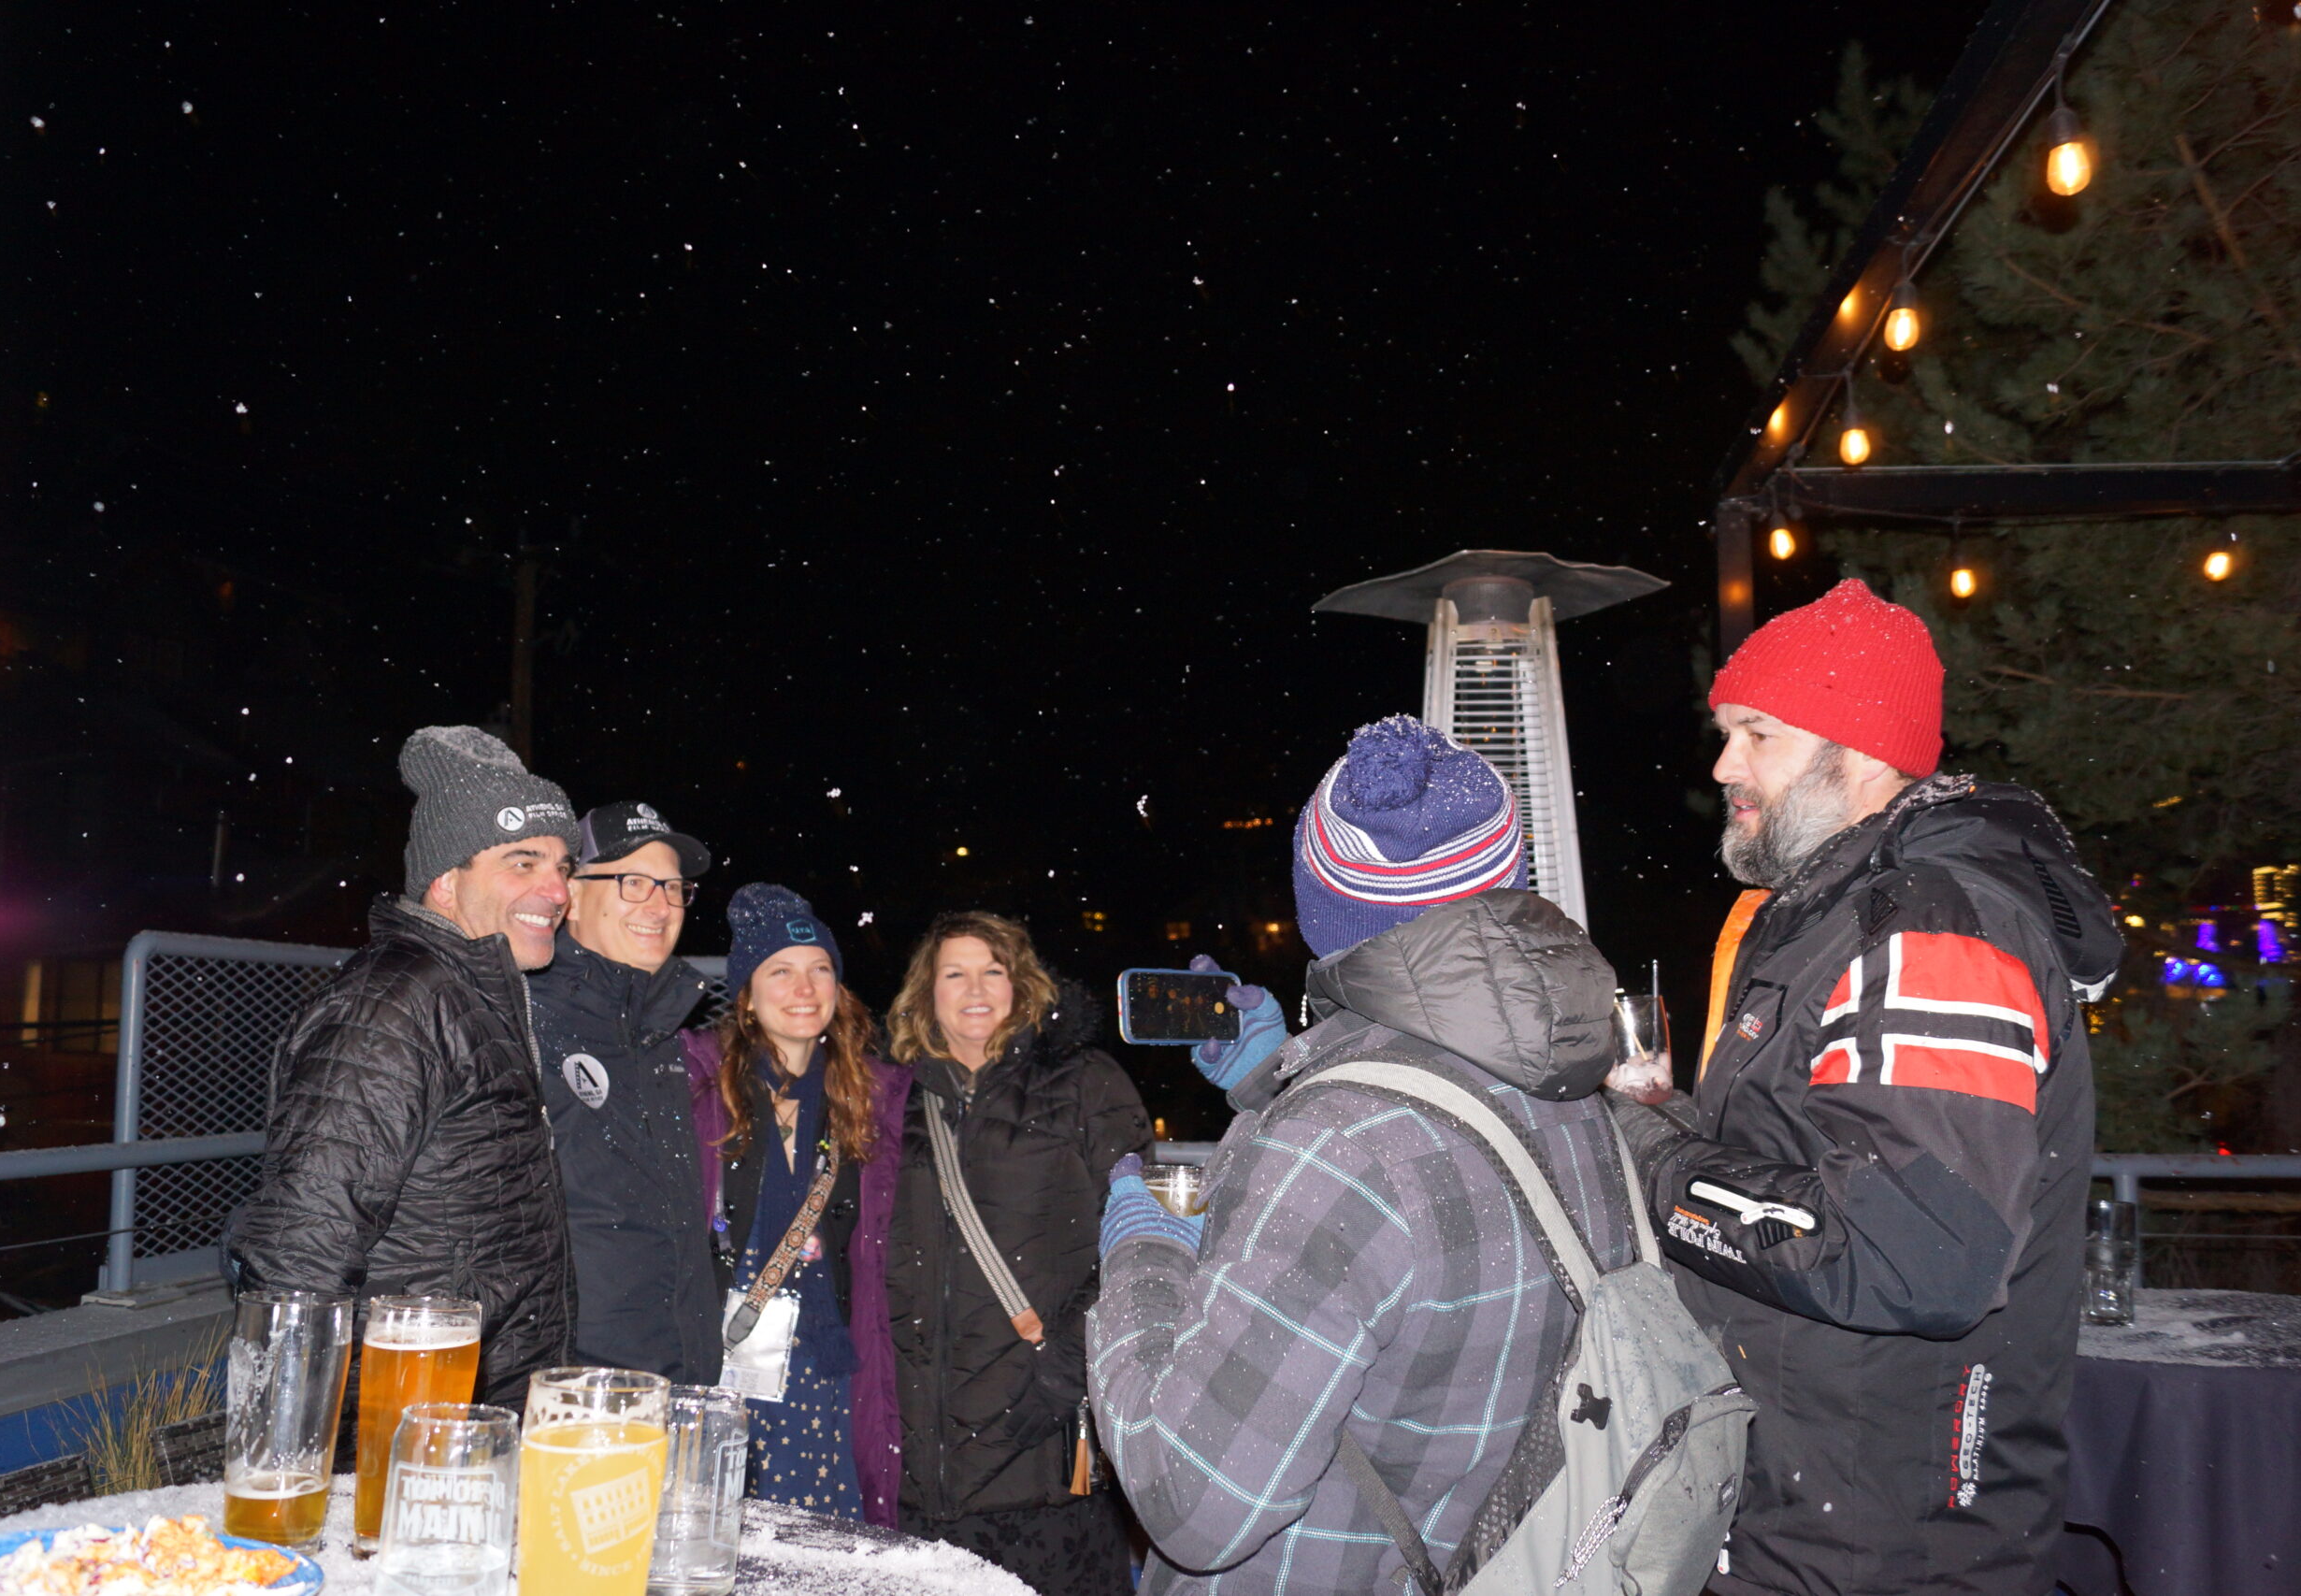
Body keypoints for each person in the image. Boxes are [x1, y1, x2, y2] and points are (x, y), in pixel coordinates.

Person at [1607, 579, 2121, 1596]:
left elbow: (1910, 1251)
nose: (1724, 764)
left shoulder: (1931, 931)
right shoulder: (1837, 921)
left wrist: (1656, 1161)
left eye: (1758, 734)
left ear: (1863, 751)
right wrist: (1668, 1120)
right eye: (1725, 733)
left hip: (1883, 1546)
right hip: (1810, 1517)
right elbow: (1804, 1167)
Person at [1086, 713, 1635, 1595]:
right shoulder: (1581, 1089)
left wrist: (1142, 1258)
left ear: (1325, 908)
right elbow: (1440, 1186)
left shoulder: (1340, 1147)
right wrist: (1279, 1075)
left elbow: (1191, 1498)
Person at [228, 726, 582, 1406]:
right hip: (412, 1420)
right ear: (445, 882)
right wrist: (295, 1441)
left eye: (563, 866)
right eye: (523, 862)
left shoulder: (479, 993)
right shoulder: (395, 1003)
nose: (557, 889)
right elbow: (304, 1245)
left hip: (479, 1408)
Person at [884, 912, 1150, 1596]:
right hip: (914, 1463)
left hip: (1042, 1454)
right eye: (955, 973)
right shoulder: (891, 1098)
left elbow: (1143, 1243)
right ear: (927, 992)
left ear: (1021, 983)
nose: (975, 989)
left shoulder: (1085, 1083)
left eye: (992, 970)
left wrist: (1068, 1367)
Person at [682, 884, 909, 1524]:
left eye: (820, 969)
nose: (804, 987)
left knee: (819, 1541)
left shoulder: (871, 1099)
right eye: (780, 970)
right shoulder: (698, 1086)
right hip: (722, 1358)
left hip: (826, 1364)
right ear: (747, 996)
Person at [527, 800, 718, 1382]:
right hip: (576, 1389)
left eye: (673, 887)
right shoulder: (524, 1021)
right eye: (632, 882)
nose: (659, 906)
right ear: (572, 893)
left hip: (678, 1377)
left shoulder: (662, 1031)